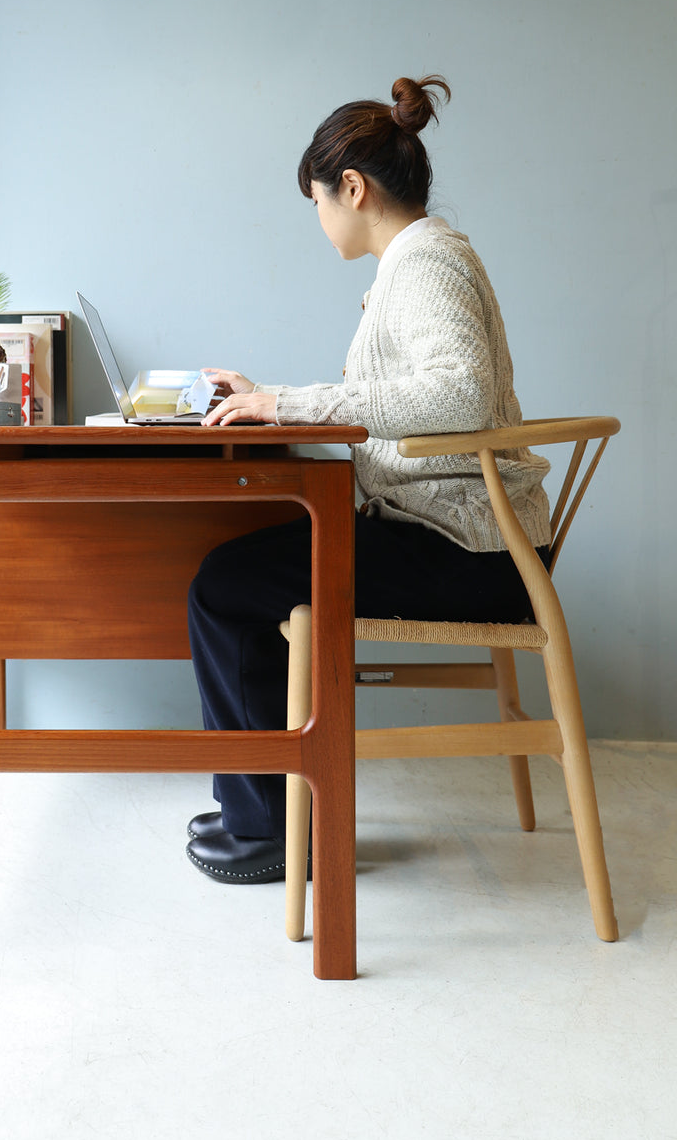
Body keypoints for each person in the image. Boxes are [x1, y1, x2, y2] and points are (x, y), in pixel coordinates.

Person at [185, 75, 551, 884]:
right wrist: (271, 401)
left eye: (318, 201)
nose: (319, 221)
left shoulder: (424, 264)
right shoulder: (419, 262)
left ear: (352, 187)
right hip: (462, 540)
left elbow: (460, 395)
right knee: (245, 575)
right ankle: (267, 812)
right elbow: (413, 402)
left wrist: (281, 403)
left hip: (466, 554)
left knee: (225, 583)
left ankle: (268, 831)